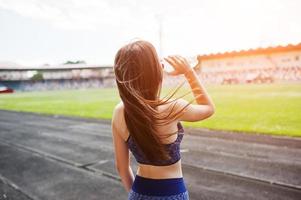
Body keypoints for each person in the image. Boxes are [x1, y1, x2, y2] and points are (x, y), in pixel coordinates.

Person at [111, 40, 215, 200]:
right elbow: (208, 108)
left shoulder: (119, 112)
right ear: (154, 72)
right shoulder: (172, 108)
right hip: (172, 194)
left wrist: (136, 195)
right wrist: (189, 72)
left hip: (138, 192)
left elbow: (122, 168)